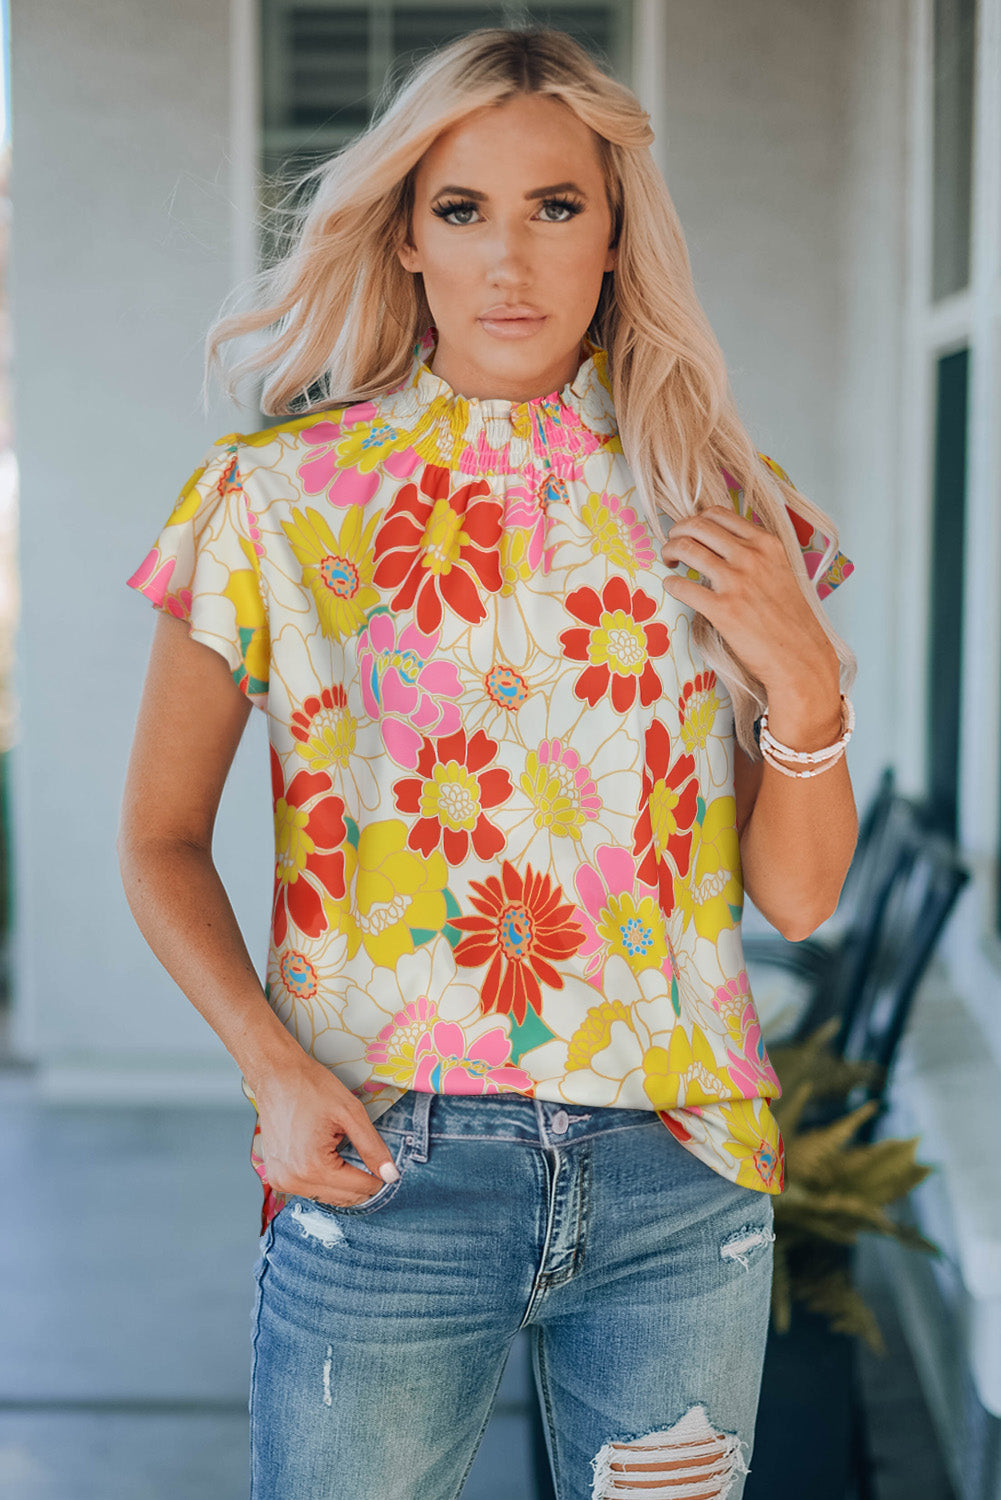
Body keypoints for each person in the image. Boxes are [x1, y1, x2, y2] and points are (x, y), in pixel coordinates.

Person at [117, 24, 858, 1500]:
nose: (508, 260)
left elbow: (797, 897)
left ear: (615, 233)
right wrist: (272, 1071)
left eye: (555, 207)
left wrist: (805, 674)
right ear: (405, 234)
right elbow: (158, 840)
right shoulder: (277, 503)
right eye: (462, 209)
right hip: (384, 1163)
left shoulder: (718, 499)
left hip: (678, 1178)